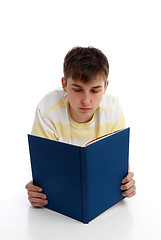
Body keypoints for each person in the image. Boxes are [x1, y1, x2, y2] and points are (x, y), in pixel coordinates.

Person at [26, 46, 136, 207]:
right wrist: (37, 190)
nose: (86, 101)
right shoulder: (47, 109)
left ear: (106, 87)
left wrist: (126, 184)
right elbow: (45, 170)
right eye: (77, 89)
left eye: (95, 90)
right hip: (61, 203)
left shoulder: (113, 109)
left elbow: (116, 166)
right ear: (64, 84)